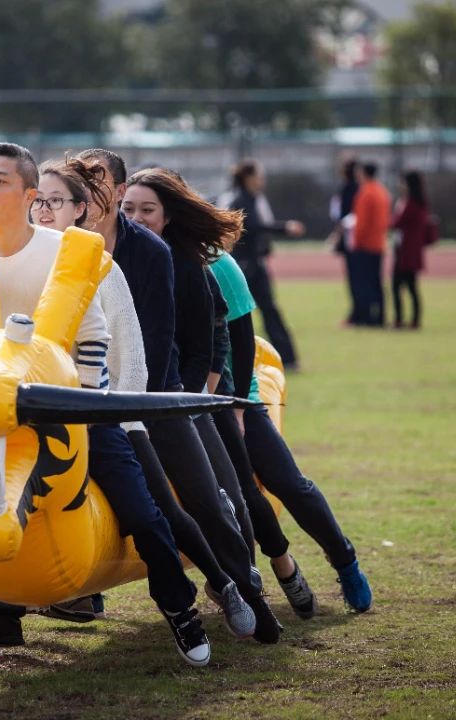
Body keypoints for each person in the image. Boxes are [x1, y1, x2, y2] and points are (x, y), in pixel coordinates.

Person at [0, 144, 210, 681]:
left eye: (0, 181)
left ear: (30, 196)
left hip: (72, 412)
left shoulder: (66, 251)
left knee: (143, 514)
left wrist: (71, 402)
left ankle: (181, 612)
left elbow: (96, 335)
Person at [79, 148, 275, 642]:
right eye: (84, 184)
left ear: (119, 190)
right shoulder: (64, 247)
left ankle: (251, 596)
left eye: (100, 182)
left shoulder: (153, 252)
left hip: (157, 395)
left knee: (211, 501)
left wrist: (178, 402)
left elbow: (173, 340)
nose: (92, 193)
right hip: (92, 400)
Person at [206, 250, 374, 618]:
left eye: (148, 209)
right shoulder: (142, 256)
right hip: (186, 400)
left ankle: (345, 562)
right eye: (132, 209)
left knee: (287, 482)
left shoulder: (219, 264)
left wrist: (238, 409)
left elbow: (243, 342)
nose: (138, 217)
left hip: (237, 398)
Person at [226, 160, 304, 371]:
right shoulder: (240, 200)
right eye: (259, 176)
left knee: (266, 310)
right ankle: (236, 361)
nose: (262, 180)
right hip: (245, 267)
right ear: (248, 178)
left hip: (253, 265)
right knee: (239, 314)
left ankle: (287, 358)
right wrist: (285, 228)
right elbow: (255, 227)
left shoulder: (252, 199)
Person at [390, 171, 437, 330]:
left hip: (407, 251)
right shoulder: (417, 202)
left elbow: (398, 222)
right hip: (408, 250)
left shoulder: (411, 203)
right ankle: (411, 320)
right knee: (410, 287)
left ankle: (402, 320)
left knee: (402, 286)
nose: (400, 185)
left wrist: (390, 219)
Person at [349, 162, 391, 327]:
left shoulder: (365, 193)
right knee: (376, 282)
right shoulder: (382, 192)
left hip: (365, 245)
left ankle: (366, 317)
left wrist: (356, 242)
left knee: (364, 283)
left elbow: (362, 222)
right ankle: (380, 316)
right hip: (378, 243)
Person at [328, 157, 361, 324]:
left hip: (351, 238)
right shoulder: (361, 188)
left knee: (355, 278)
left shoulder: (348, 189)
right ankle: (360, 311)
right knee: (360, 277)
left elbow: (344, 216)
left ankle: (358, 313)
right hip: (358, 238)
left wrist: (337, 234)